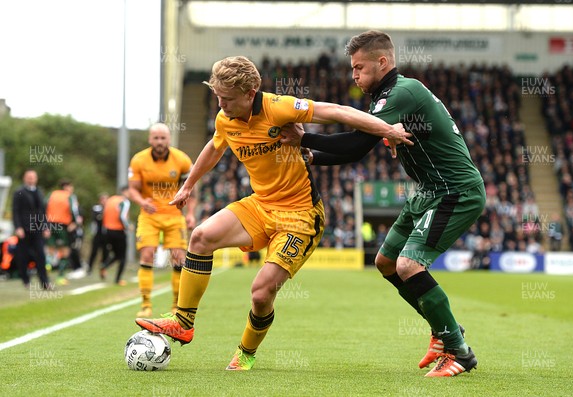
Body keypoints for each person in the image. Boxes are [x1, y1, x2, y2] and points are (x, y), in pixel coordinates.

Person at [135, 55, 410, 371]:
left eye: (227, 98)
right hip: (261, 204)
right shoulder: (226, 119)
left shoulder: (279, 107)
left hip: (300, 215)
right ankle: (183, 321)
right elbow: (214, 147)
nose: (221, 105)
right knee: (200, 237)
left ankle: (246, 353)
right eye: (217, 97)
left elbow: (338, 112)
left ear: (250, 93)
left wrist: (387, 129)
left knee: (261, 293)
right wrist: (188, 186)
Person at [281, 30, 485, 377]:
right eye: (352, 69)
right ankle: (445, 328)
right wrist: (311, 156)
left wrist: (305, 138)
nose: (354, 75)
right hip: (426, 191)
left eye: (359, 68)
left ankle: (459, 352)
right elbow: (361, 146)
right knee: (387, 262)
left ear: (382, 62)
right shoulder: (389, 99)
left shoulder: (401, 93)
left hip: (455, 191)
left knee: (408, 265)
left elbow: (358, 145)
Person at [128, 123, 197, 317]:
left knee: (178, 257)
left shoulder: (182, 160)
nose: (159, 142)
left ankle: (176, 305)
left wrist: (190, 213)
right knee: (147, 254)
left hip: (174, 215)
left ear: (169, 139)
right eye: (156, 138)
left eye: (163, 138)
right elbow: (132, 188)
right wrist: (142, 201)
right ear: (150, 139)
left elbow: (192, 189)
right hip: (149, 215)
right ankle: (146, 304)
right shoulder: (139, 160)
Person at [11, 170, 52, 289]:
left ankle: (45, 282)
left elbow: (43, 211)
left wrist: (46, 226)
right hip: (24, 229)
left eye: (33, 177)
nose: (31, 179)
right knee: (23, 256)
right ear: (24, 178)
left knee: (41, 255)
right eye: (29, 177)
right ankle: (25, 280)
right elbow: (15, 211)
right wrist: (18, 227)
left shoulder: (39, 192)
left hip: (38, 228)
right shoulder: (19, 192)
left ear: (36, 178)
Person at [46, 180, 81, 285]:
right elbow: (74, 211)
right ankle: (60, 276)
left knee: (50, 249)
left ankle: (46, 270)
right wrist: (75, 222)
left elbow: (43, 207)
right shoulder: (70, 196)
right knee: (65, 251)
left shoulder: (51, 194)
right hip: (63, 225)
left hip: (50, 224)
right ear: (67, 187)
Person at [99, 186, 131, 285]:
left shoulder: (110, 200)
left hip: (107, 231)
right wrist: (128, 226)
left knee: (117, 255)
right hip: (118, 231)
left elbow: (103, 214)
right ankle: (118, 279)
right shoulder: (125, 201)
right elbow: (122, 216)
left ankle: (104, 265)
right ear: (125, 192)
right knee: (123, 257)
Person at [88, 193, 109, 275]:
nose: (105, 201)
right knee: (94, 252)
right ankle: (89, 268)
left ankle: (103, 269)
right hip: (98, 233)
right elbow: (97, 218)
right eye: (103, 199)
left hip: (106, 234)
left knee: (106, 253)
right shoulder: (96, 208)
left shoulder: (109, 208)